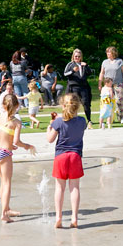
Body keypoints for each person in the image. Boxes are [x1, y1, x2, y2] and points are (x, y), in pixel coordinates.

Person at [0, 94, 35, 223]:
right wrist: (27, 146)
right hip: (4, 154)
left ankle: (7, 208)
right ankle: (4, 214)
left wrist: (8, 144)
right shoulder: (16, 122)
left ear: (3, 105)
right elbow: (17, 141)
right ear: (17, 106)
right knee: (7, 183)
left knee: (3, 182)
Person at [47, 93, 87, 229]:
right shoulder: (82, 122)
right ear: (77, 106)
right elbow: (72, 122)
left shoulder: (58, 122)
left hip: (61, 156)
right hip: (75, 156)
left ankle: (58, 217)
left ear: (63, 105)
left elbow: (50, 139)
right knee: (74, 187)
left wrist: (50, 125)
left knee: (60, 188)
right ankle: (74, 218)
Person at [98, 46, 123, 125]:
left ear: (113, 53)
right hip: (108, 85)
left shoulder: (119, 61)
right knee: (108, 101)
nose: (108, 54)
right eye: (107, 52)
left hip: (118, 83)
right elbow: (102, 73)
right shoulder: (104, 62)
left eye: (109, 52)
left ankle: (121, 116)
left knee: (119, 100)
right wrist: (100, 83)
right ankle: (110, 117)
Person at [64, 48, 93, 128]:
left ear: (81, 57)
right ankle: (73, 119)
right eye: (76, 56)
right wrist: (73, 71)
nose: (77, 58)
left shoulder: (83, 64)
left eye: (79, 56)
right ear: (73, 56)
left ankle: (89, 120)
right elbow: (65, 74)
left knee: (86, 103)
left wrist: (86, 66)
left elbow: (90, 73)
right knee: (74, 104)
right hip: (74, 87)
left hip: (83, 87)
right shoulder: (70, 64)